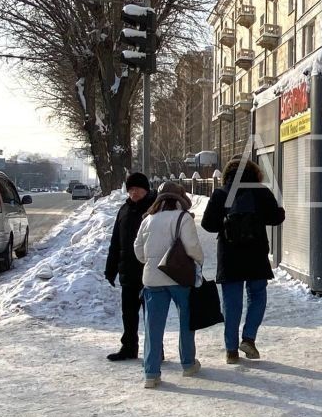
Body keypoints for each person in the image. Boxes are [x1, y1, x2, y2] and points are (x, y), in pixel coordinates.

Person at [201, 157, 285, 364]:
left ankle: (231, 350)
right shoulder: (261, 192)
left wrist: (224, 223)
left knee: (232, 303)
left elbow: (207, 224)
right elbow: (276, 218)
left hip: (229, 255)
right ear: (254, 173)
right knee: (257, 296)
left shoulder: (221, 194)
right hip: (256, 253)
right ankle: (248, 338)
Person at [133, 182, 205, 388]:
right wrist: (199, 262)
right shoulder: (183, 218)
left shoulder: (147, 219)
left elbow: (138, 250)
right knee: (186, 321)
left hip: (152, 279)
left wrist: (151, 261)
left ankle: (151, 373)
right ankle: (188, 364)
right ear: (180, 199)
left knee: (153, 327)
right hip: (179, 278)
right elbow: (192, 247)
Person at [103, 172, 156, 361]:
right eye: (131, 189)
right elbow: (116, 242)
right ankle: (129, 347)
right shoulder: (124, 210)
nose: (134, 193)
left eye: (138, 189)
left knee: (152, 315)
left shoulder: (155, 209)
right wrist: (111, 269)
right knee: (129, 314)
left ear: (146, 189)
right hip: (128, 272)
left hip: (150, 272)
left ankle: (155, 350)